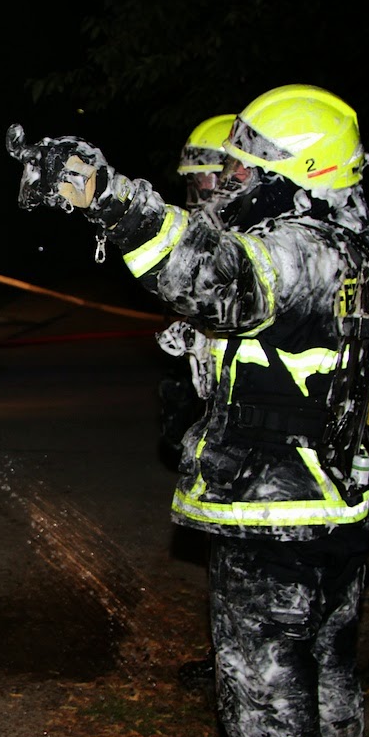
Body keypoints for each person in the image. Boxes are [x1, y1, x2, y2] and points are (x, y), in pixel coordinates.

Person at [8, 84, 369, 737]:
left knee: (264, 706)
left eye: (246, 172)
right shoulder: (351, 247)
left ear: (299, 174)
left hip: (276, 520)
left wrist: (105, 196)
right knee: (325, 675)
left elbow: (215, 274)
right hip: (334, 510)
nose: (231, 184)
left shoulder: (298, 248)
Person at [159, 113, 236, 691]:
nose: (195, 196)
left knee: (253, 565)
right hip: (228, 422)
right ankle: (229, 656)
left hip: (272, 442)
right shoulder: (217, 239)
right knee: (225, 556)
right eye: (189, 185)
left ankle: (241, 666)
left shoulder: (255, 245)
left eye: (202, 183)